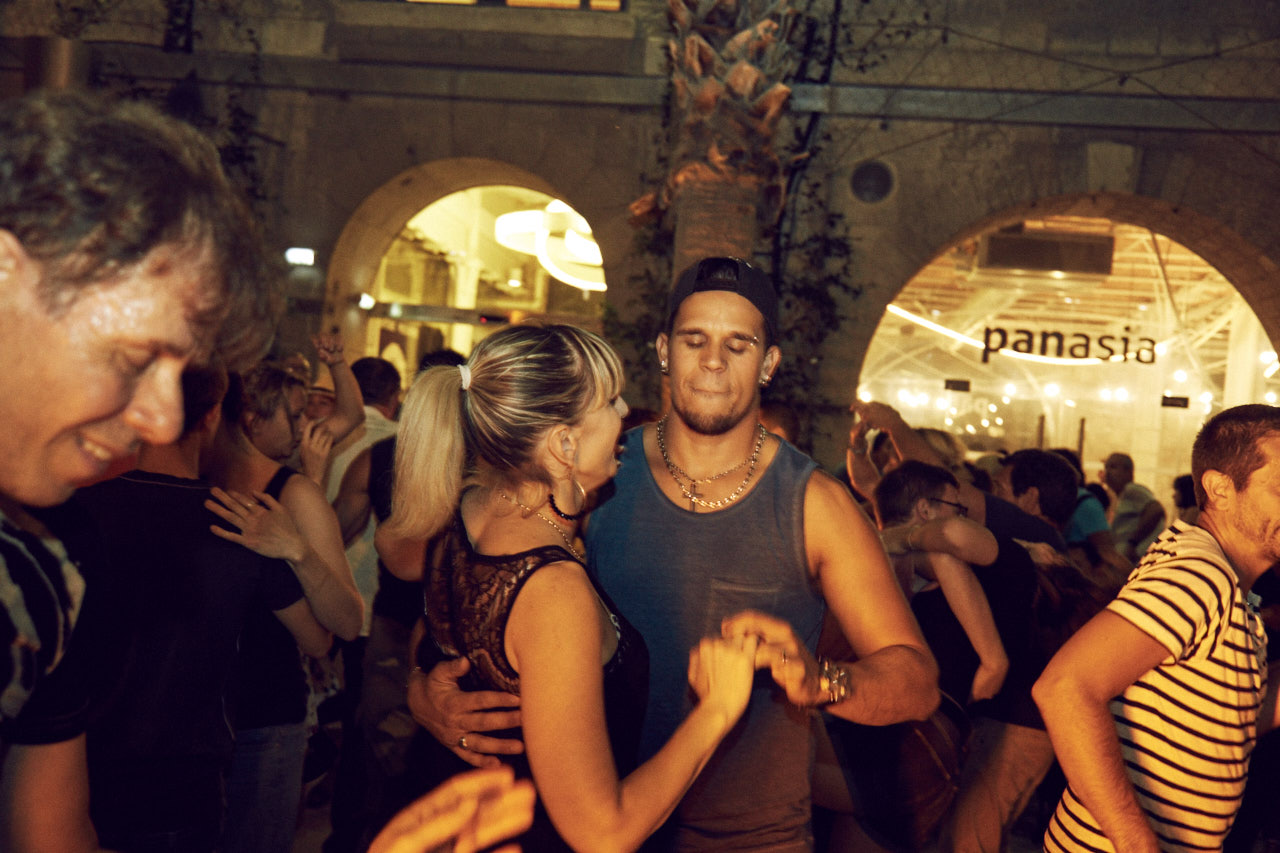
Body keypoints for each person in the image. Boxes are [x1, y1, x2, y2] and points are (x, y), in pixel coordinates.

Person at [412, 258, 939, 850]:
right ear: (665, 351)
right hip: (611, 827)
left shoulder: (815, 503)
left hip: (751, 842)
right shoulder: (596, 475)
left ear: (769, 364)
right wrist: (426, 693)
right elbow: (480, 606)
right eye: (694, 339)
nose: (713, 360)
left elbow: (917, 682)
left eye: (738, 344)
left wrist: (824, 681)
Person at [0, 90, 277, 852]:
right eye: (134, 357)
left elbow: (51, 833)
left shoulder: (51, 567)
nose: (162, 419)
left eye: (180, 371)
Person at [387, 322, 761, 851]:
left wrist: (420, 684)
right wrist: (718, 708)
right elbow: (602, 832)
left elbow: (432, 633)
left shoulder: (467, 511)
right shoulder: (552, 591)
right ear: (564, 443)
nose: (624, 410)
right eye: (609, 401)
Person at [74, 365, 329, 852]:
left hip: (80, 767)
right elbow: (318, 638)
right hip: (184, 782)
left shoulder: (81, 510)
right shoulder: (238, 522)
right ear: (211, 416)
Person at [1034, 404, 1280, 852]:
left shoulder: (1226, 584)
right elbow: (1065, 688)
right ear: (1220, 489)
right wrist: (1136, 843)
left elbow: (1234, 714)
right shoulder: (1200, 574)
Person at [204, 361, 364, 853]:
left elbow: (348, 621)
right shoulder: (198, 477)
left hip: (267, 714)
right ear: (252, 420)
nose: (303, 428)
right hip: (195, 716)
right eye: (293, 416)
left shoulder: (295, 494)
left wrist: (296, 549)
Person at [1102, 452, 1165, 562]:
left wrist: (1133, 543)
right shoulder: (1119, 496)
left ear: (1128, 472)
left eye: (1113, 467)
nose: (1108, 472)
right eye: (1106, 467)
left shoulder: (1132, 489)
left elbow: (1156, 509)